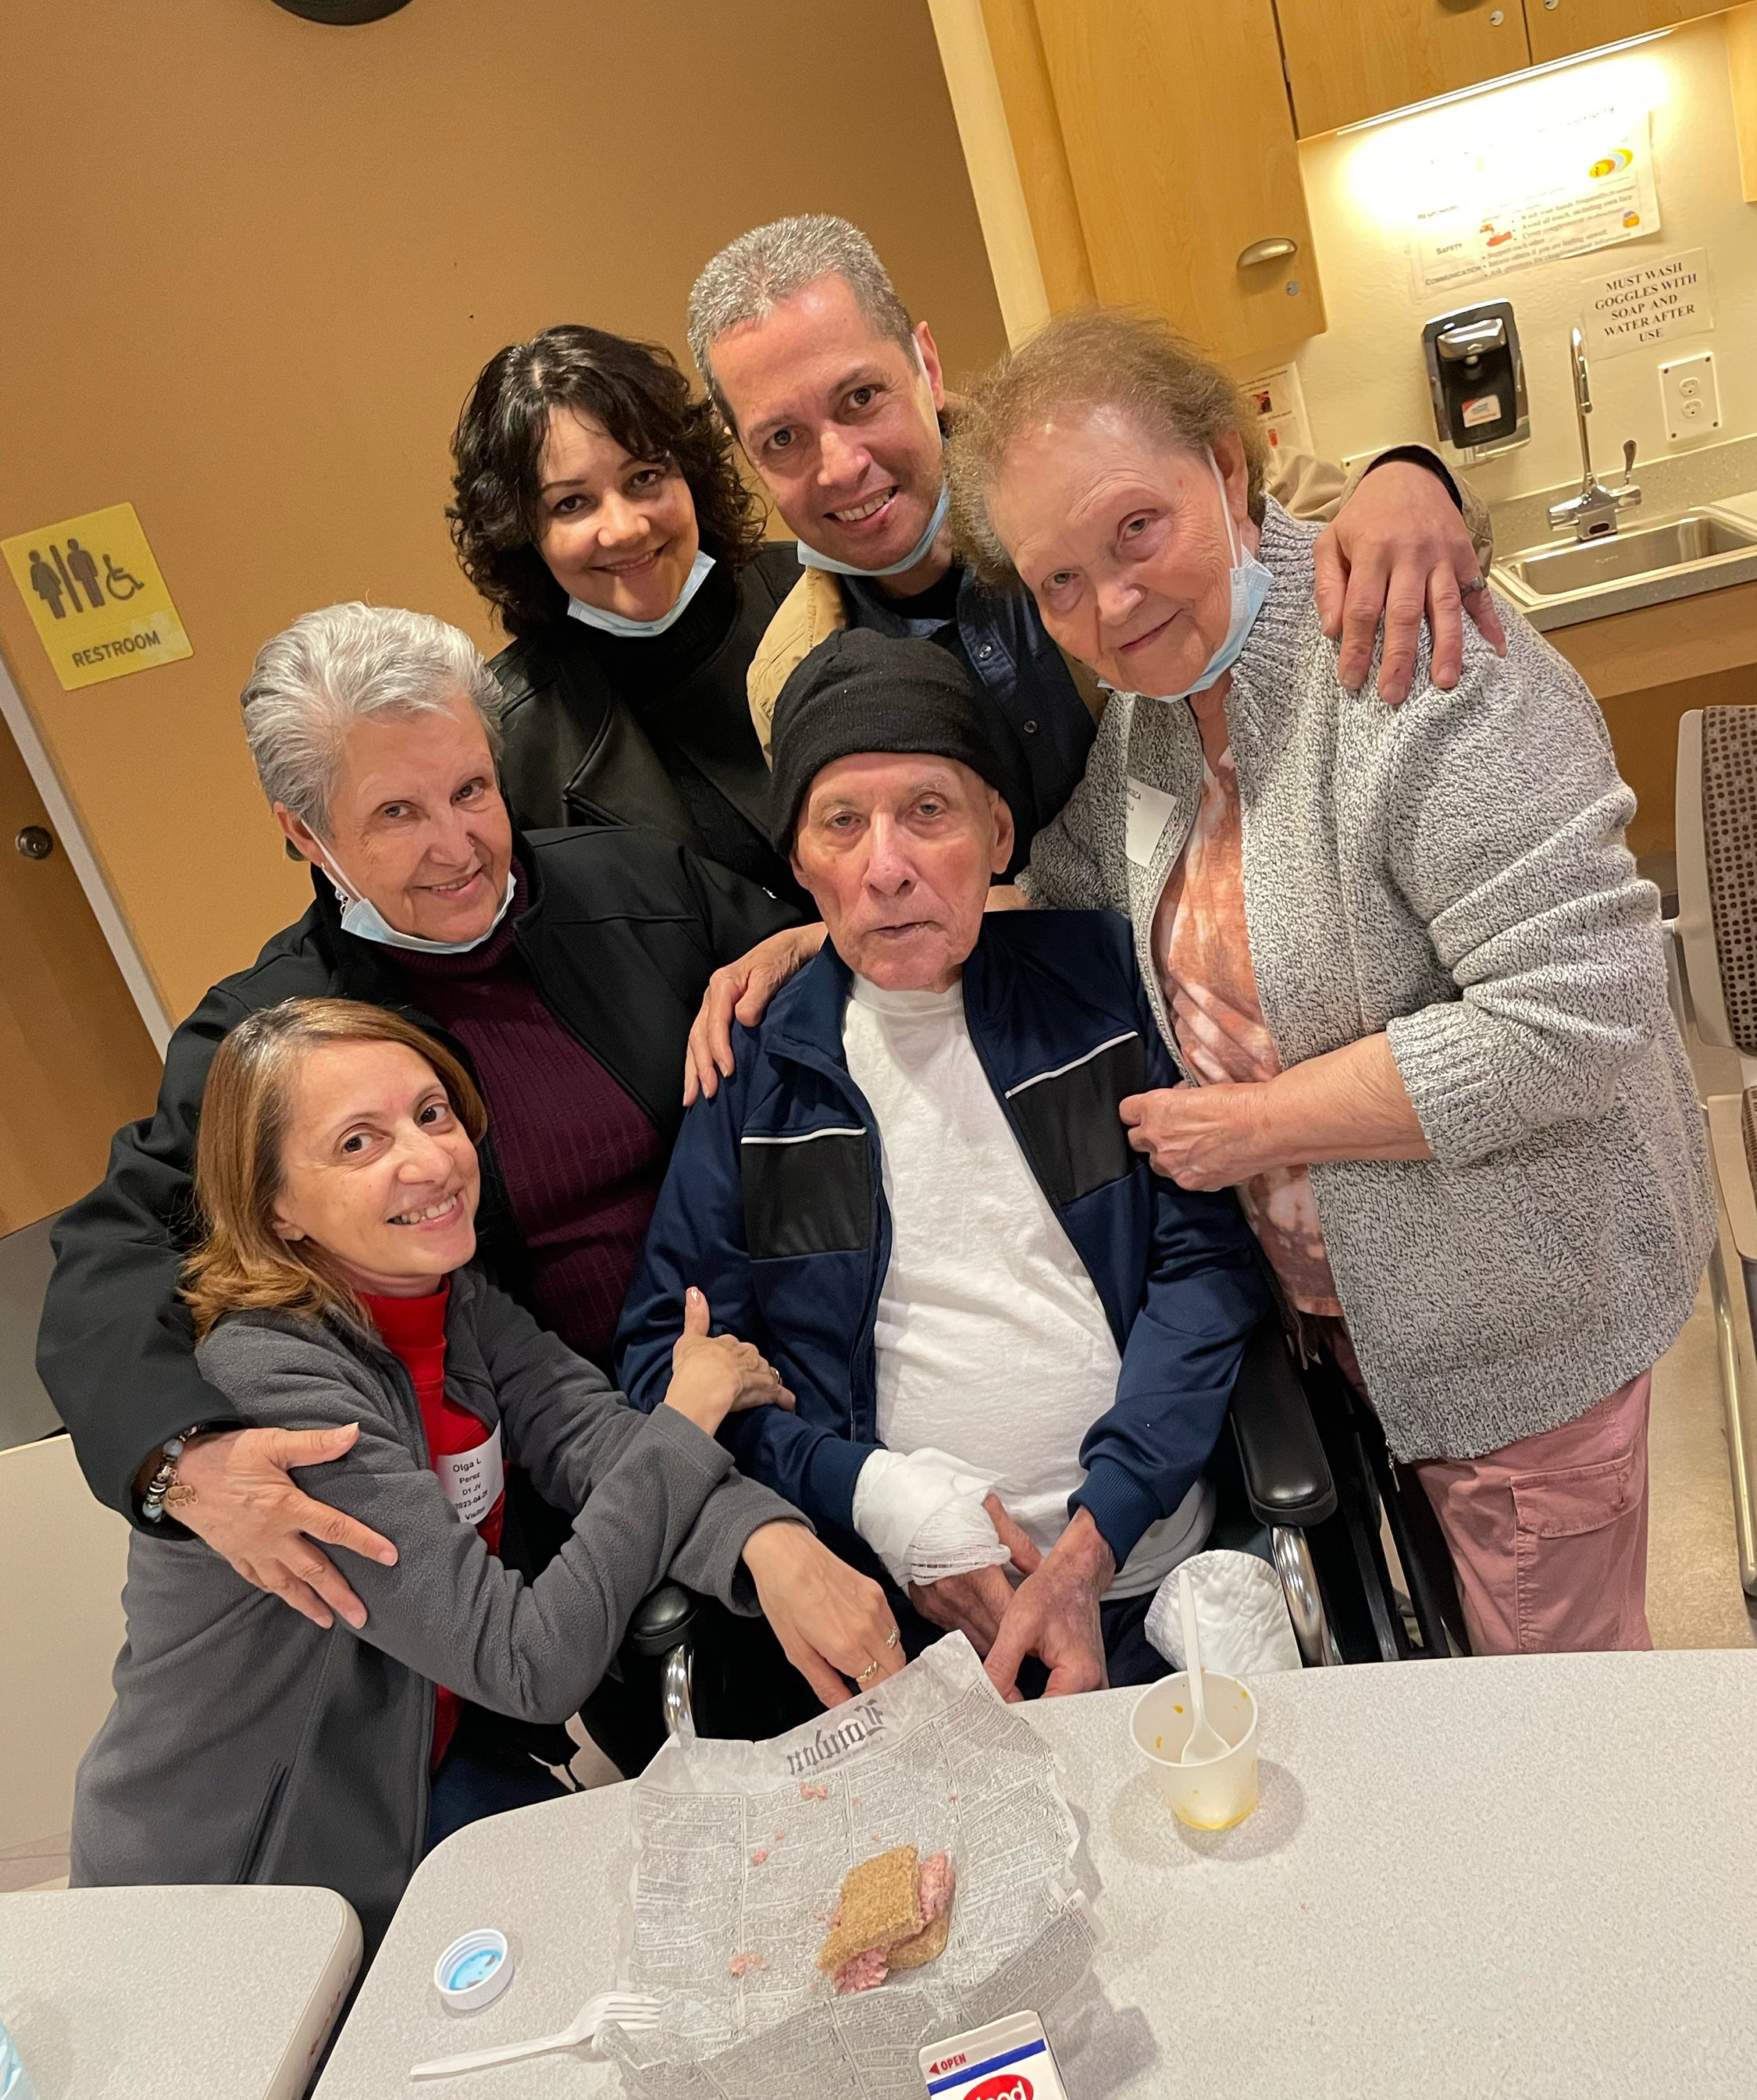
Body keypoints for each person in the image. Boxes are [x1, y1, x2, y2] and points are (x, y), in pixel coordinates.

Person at [937, 307, 1714, 1656]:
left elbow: (1576, 1008)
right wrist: (848, 926)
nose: (1110, 607)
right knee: (1473, 1668)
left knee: (1562, 1705)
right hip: (1359, 1325)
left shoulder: (1409, 649)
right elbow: (1065, 890)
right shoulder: (1154, 721)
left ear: (1227, 469)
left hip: (1522, 1319)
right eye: (1058, 582)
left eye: (1137, 529)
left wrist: (1253, 1126)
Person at [38, 605, 800, 1688]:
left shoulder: (641, 889)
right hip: (565, 1473)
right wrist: (180, 1460)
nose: (457, 847)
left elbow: (829, 980)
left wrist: (811, 941)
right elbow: (113, 1255)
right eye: (396, 812)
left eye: (471, 791)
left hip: (771, 1376)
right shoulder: (275, 1038)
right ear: (305, 833)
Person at [70, 1000, 898, 1952]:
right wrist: (689, 1412)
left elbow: (593, 1437)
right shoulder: (272, 1380)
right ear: (274, 1208)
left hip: (416, 1768)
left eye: (432, 1114)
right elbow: (527, 1662)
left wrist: (768, 1539)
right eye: (357, 1142)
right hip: (243, 1879)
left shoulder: (447, 1299)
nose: (427, 1160)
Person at [618, 632, 1267, 1700]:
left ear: (997, 833)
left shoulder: (1102, 984)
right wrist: (874, 1496)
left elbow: (1205, 1267)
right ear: (799, 862)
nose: (887, 867)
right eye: (842, 823)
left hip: (1145, 1564)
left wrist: (1096, 1537)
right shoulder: (755, 1069)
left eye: (928, 811)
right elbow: (663, 1356)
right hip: (898, 1625)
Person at [683, 212, 1502, 872]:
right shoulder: (788, 678)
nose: (838, 466)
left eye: (861, 397)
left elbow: (1320, 518)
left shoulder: (1086, 465)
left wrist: (1412, 478)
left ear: (925, 365)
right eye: (782, 439)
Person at [449, 325, 808, 908]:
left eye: (644, 477)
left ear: (690, 473)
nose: (625, 529)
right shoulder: (508, 744)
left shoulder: (822, 590)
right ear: (522, 534)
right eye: (572, 503)